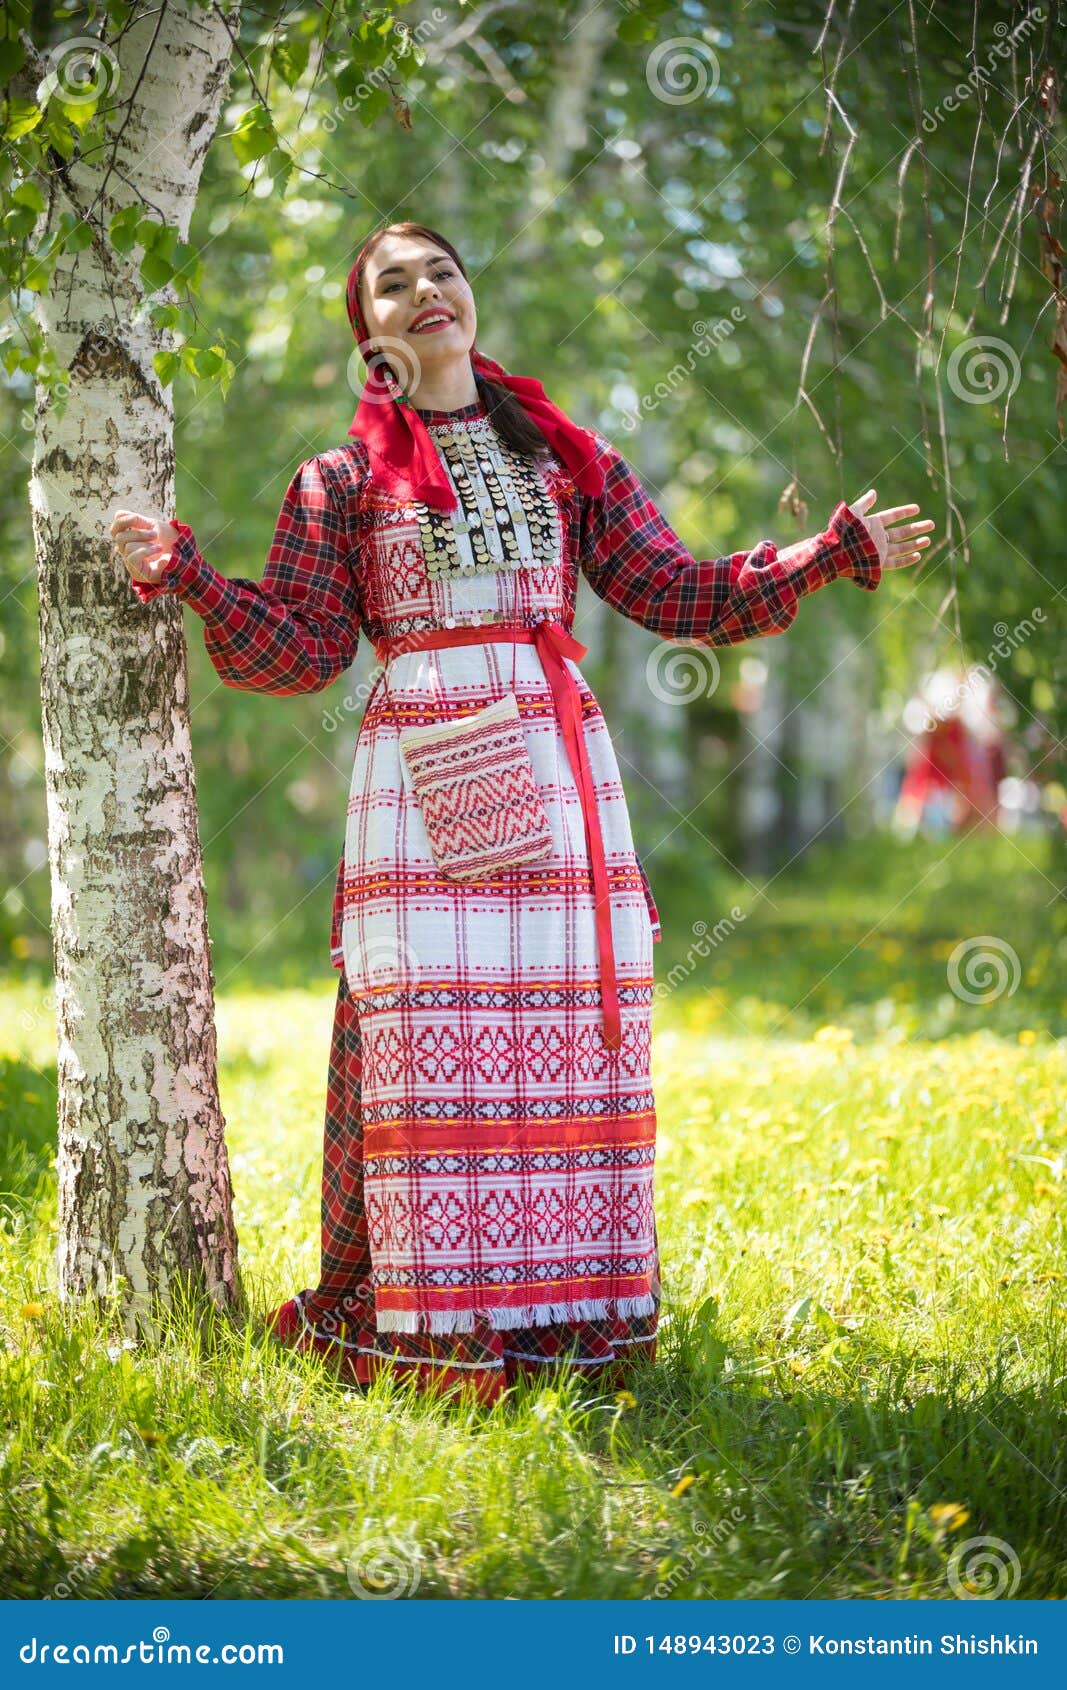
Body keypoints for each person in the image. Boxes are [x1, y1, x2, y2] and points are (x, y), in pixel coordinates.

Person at [110, 220, 934, 1406]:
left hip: (555, 774)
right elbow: (297, 650)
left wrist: (818, 555)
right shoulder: (339, 482)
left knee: (554, 1045)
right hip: (417, 780)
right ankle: (438, 1332)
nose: (425, 291)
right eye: (392, 284)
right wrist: (186, 574)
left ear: (470, 294)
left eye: (443, 269)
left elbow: (668, 588)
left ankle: (558, 1320)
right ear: (370, 334)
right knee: (424, 1042)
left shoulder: (565, 458)